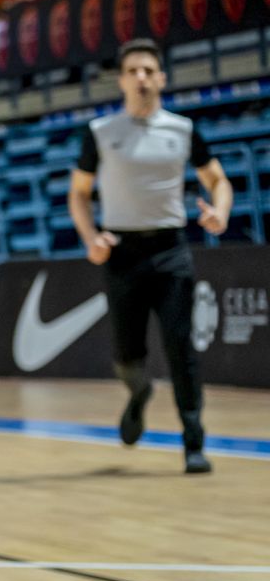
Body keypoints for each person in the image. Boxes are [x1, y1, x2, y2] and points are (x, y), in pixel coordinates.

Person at [69, 38, 233, 475]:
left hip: (170, 249)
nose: (141, 78)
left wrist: (220, 210)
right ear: (121, 80)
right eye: (133, 71)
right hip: (123, 253)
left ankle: (193, 442)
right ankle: (139, 394)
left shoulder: (181, 130)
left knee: (182, 349)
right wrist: (91, 237)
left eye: (148, 70)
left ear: (161, 78)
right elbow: (79, 195)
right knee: (127, 354)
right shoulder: (101, 133)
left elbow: (218, 180)